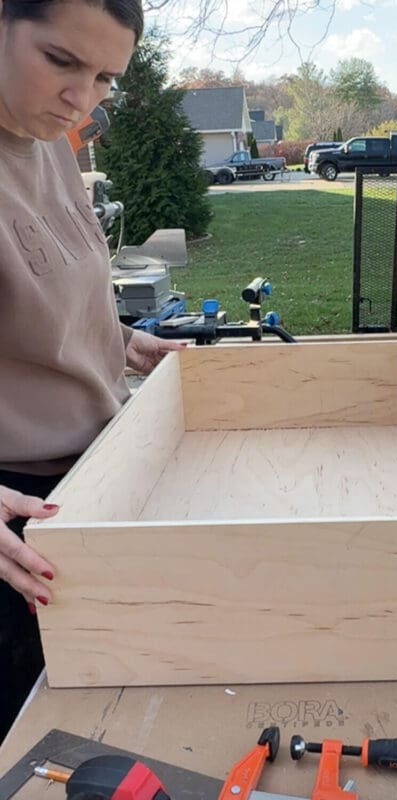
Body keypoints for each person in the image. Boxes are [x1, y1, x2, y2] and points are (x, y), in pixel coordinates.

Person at [0, 0, 185, 740]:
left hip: (97, 469)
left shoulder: (45, 138)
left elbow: (52, 276)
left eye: (106, 77)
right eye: (60, 61)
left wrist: (117, 338)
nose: (83, 98)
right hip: (20, 512)